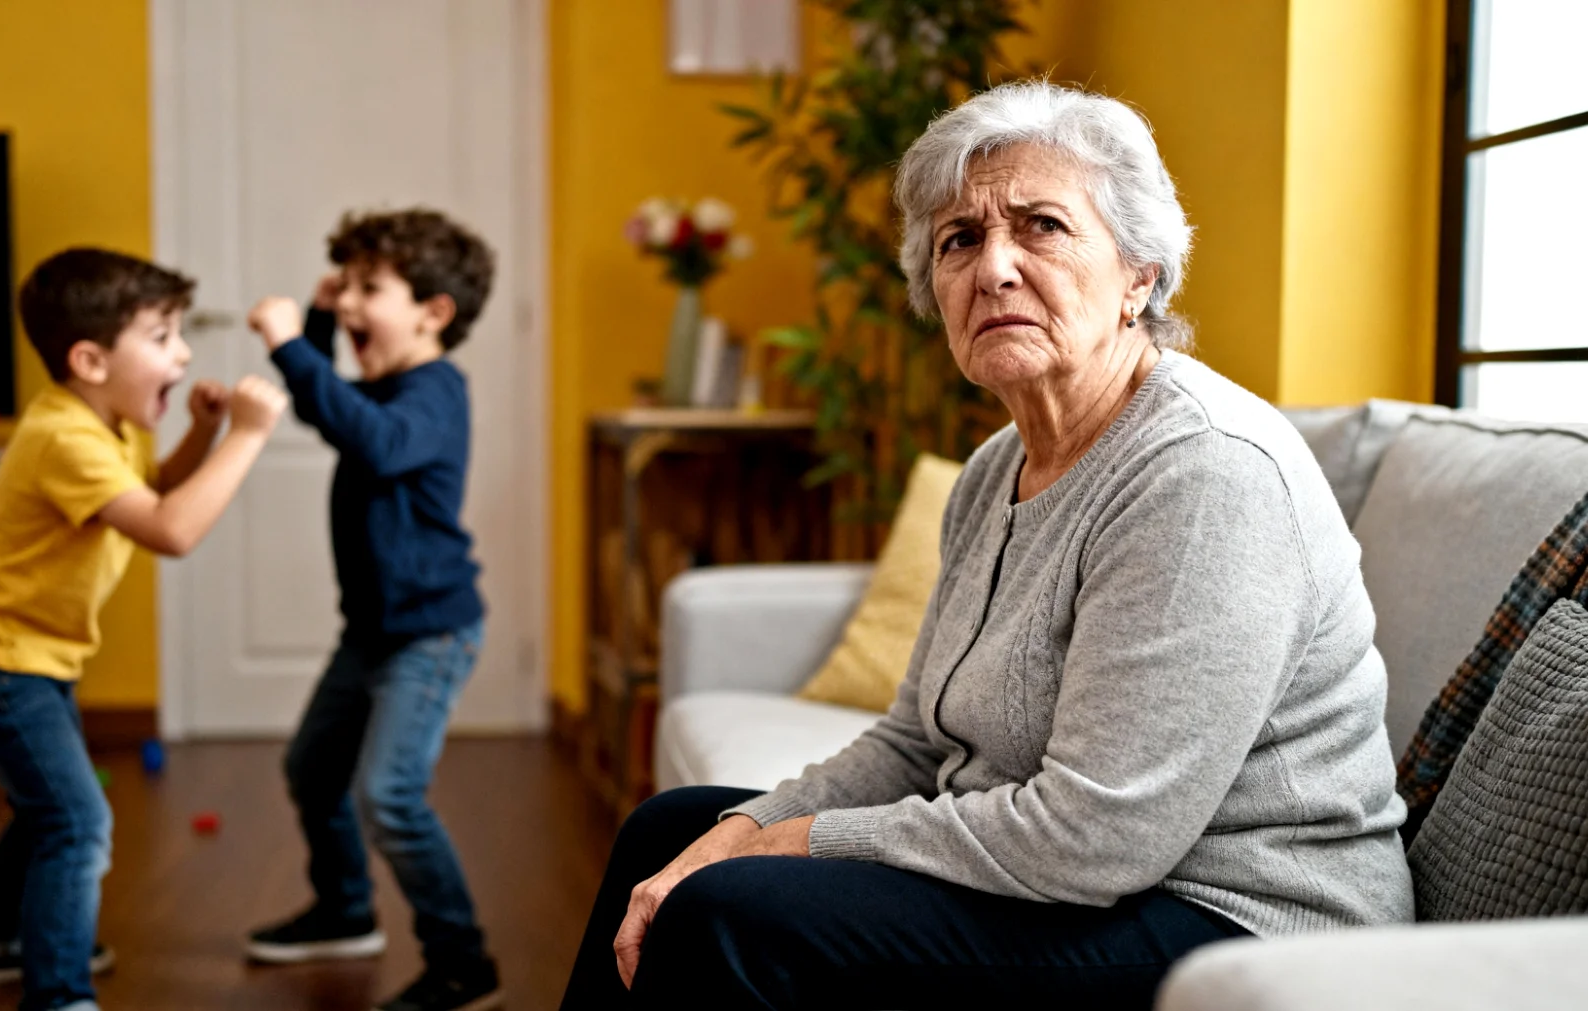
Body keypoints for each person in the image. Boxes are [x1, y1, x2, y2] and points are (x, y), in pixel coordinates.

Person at [560, 80, 1416, 1011]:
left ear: (1139, 273)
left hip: (1236, 918)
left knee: (730, 909)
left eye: (1041, 225)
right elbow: (912, 741)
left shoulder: (1204, 471)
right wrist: (758, 822)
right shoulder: (994, 468)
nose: (993, 268)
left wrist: (797, 843)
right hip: (1088, 883)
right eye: (958, 240)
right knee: (672, 832)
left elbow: (1097, 837)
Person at [0, 247, 288, 1011]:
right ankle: (58, 994)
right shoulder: (65, 438)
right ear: (90, 359)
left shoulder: (101, 420)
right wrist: (246, 438)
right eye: (162, 337)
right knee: (75, 817)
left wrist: (198, 435)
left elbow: (149, 492)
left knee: (45, 804)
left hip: (26, 650)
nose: (184, 353)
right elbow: (170, 530)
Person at [244, 208, 500, 1011]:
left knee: (388, 795)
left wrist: (292, 342)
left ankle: (464, 963)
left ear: (434, 311)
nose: (352, 305)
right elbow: (331, 410)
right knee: (312, 768)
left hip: (430, 632)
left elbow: (374, 439)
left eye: (371, 289)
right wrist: (318, 323)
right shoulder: (387, 387)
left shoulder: (433, 393)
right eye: (345, 286)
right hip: (373, 632)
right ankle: (346, 909)